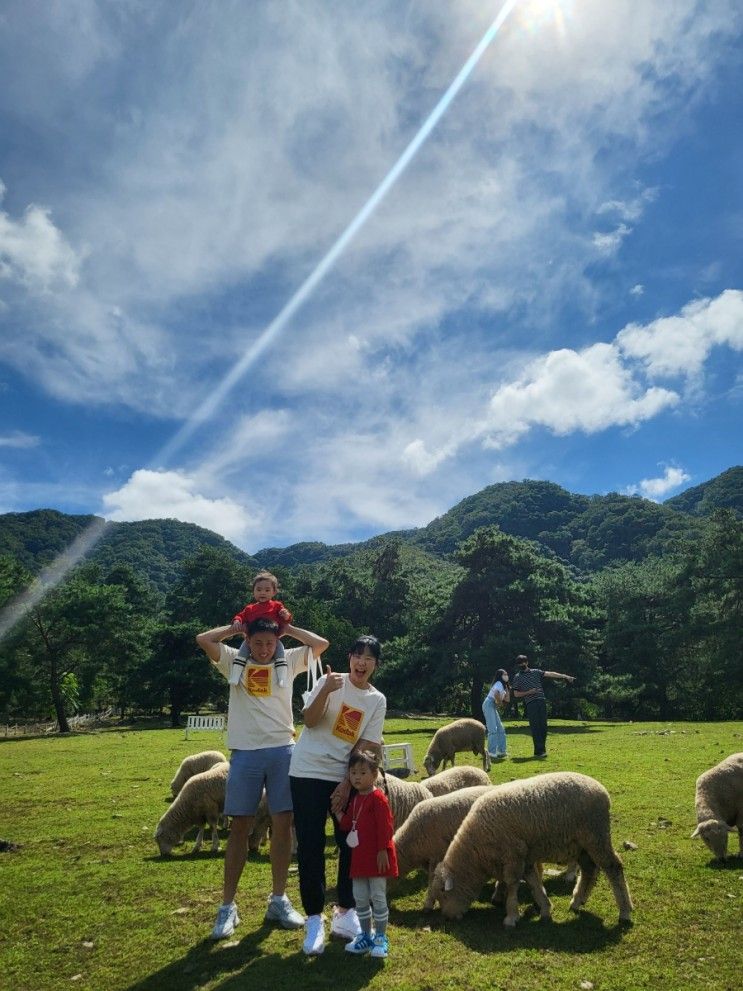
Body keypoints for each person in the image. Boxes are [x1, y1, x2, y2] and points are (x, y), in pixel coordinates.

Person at [195, 616, 329, 940]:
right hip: (245, 753)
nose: (265, 650)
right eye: (258, 643)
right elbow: (204, 639)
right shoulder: (232, 661)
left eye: (270, 643)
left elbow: (321, 644)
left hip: (283, 749)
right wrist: (235, 628)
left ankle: (278, 900)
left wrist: (288, 629)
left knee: (283, 822)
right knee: (240, 826)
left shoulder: (289, 658)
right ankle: (228, 906)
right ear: (248, 642)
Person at [289, 635, 387, 956]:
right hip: (306, 771)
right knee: (311, 843)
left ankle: (345, 913)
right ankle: (314, 918)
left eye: (369, 658)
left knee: (350, 843)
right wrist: (327, 691)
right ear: (350, 658)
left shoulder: (376, 700)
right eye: (358, 655)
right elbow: (310, 720)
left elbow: (366, 746)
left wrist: (347, 782)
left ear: (375, 665)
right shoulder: (330, 681)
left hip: (343, 777)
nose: (362, 662)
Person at [335, 750, 397, 959]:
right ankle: (365, 935)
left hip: (376, 857)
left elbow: (385, 827)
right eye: (353, 773)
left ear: (375, 773)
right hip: (359, 858)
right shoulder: (356, 800)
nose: (357, 777)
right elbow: (348, 823)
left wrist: (382, 850)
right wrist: (338, 813)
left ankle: (380, 937)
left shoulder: (378, 798)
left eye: (362, 772)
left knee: (378, 897)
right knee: (360, 897)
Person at [230, 571, 293, 688]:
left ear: (274, 592)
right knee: (241, 655)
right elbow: (240, 616)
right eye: (258, 590)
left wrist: (286, 615)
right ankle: (234, 677)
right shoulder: (249, 608)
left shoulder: (277, 606)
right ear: (253, 591)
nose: (262, 592)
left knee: (280, 655)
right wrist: (237, 621)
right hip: (252, 640)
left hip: (273, 640)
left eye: (267, 590)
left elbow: (287, 619)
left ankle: (282, 679)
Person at [510, 654, 575, 759]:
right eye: (519, 663)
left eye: (523, 662)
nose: (521, 664)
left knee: (543, 726)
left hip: (541, 701)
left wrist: (565, 676)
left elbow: (550, 674)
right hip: (531, 703)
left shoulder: (536, 672)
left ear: (527, 662)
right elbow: (516, 694)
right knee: (535, 727)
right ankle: (540, 751)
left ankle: (540, 750)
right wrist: (529, 692)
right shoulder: (517, 677)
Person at [482, 668, 510, 759]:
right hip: (489, 704)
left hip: (492, 705)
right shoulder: (498, 683)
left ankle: (502, 751)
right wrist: (499, 703)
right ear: (500, 676)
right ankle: (491, 752)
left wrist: (507, 689)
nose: (506, 676)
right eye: (504, 674)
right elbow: (496, 694)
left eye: (507, 674)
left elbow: (507, 699)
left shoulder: (503, 686)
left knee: (501, 729)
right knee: (493, 729)